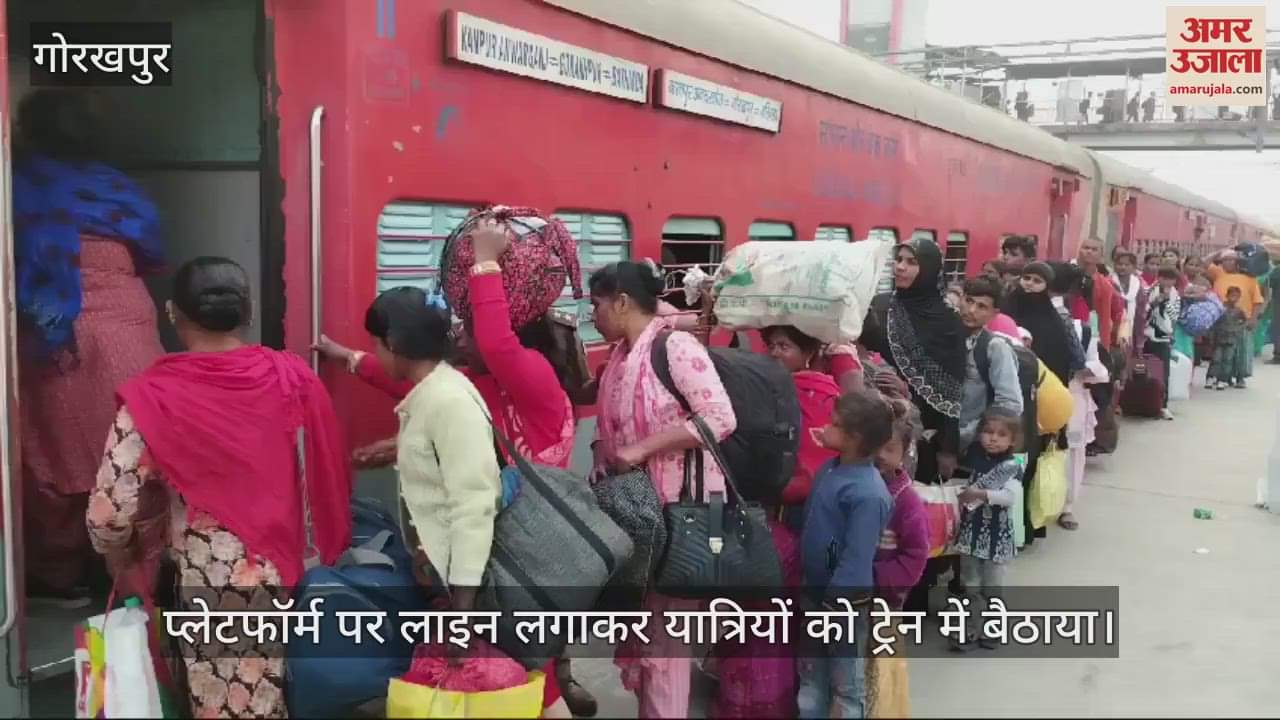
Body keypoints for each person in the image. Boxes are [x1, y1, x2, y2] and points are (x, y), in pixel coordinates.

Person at [316, 218, 585, 714]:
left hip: (512, 549)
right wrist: (348, 358)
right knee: (524, 668)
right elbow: (412, 384)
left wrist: (484, 261)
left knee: (530, 672)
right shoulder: (476, 387)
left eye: (472, 329)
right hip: (493, 551)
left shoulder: (532, 378)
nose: (461, 338)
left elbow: (471, 495)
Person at [87, 257, 352, 718]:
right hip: (287, 564)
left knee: (230, 701)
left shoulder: (153, 394)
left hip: (215, 573)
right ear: (246, 313)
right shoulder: (290, 376)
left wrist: (119, 552)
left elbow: (108, 512)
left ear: (173, 313)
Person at [363, 286, 573, 719]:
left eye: (376, 345)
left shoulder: (447, 400)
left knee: (509, 690)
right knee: (528, 688)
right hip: (461, 575)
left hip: (475, 582)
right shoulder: (438, 391)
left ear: (396, 345)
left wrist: (462, 613)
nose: (375, 353)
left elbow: (473, 506)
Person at [15, 89, 167, 607]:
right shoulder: (116, 186)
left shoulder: (19, 184)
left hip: (60, 330)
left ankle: (60, 577)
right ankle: (133, 576)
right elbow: (149, 252)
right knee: (137, 446)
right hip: (131, 320)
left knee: (53, 453)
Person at [589, 260, 737, 719]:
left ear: (621, 302)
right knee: (645, 626)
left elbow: (720, 419)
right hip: (640, 513)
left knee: (666, 640)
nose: (591, 316)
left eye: (595, 305)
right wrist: (604, 451)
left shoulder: (676, 348)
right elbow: (613, 423)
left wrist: (641, 449)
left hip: (681, 514)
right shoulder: (619, 356)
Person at [709, 324, 836, 719]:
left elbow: (816, 463)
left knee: (777, 616)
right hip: (755, 510)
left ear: (810, 351)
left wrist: (773, 486)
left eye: (786, 346)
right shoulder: (758, 385)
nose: (777, 353)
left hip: (797, 516)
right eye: (772, 345)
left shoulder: (821, 394)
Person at [797, 389, 895, 720]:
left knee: (846, 688)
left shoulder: (867, 493)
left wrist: (833, 607)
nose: (826, 428)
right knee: (811, 679)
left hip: (843, 607)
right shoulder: (831, 469)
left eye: (834, 425)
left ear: (853, 439)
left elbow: (856, 559)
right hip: (815, 595)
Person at [859, 238, 966, 486]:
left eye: (911, 262)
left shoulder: (948, 322)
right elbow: (861, 354)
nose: (900, 267)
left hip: (926, 436)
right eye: (898, 260)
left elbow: (952, 390)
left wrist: (948, 449)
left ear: (928, 269)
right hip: (875, 423)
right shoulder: (880, 306)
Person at [864, 396, 928, 720]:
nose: (879, 455)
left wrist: (876, 577)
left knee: (880, 666)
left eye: (889, 449)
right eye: (874, 445)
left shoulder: (906, 501)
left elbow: (916, 555)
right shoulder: (851, 487)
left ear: (904, 455)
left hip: (883, 600)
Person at [952, 408, 1024, 651]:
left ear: (1012, 441)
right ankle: (970, 631)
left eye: (1001, 434)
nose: (993, 438)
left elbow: (1009, 497)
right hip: (972, 534)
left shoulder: (1012, 466)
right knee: (970, 584)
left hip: (996, 538)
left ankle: (993, 630)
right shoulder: (975, 459)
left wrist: (981, 493)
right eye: (988, 432)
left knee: (992, 588)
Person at [957, 277, 1024, 454]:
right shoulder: (949, 337)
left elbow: (1010, 403)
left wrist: (977, 434)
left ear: (994, 313)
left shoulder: (995, 348)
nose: (971, 310)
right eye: (969, 301)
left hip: (974, 447)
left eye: (982, 306)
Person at [1203, 248, 1266, 384]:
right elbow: (1204, 262)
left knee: (1241, 351)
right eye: (1225, 260)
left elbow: (1257, 301)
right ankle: (1222, 377)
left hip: (1242, 319)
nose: (1228, 263)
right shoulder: (1218, 273)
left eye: (1231, 259)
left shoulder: (1250, 279)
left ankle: (1240, 377)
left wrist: (1253, 319)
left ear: (1238, 262)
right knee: (1220, 352)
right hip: (1222, 319)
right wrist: (1220, 251)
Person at [1145, 268, 1182, 418]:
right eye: (1164, 278)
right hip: (1146, 335)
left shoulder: (1176, 296)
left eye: (1170, 279)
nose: (1167, 282)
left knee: (1163, 373)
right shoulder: (1148, 291)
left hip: (1163, 338)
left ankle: (1162, 405)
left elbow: (1174, 317)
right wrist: (1155, 302)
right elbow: (1143, 311)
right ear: (1158, 278)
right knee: (1143, 370)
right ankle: (1146, 403)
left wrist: (1165, 301)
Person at [1208, 287, 1250, 390]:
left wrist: (1238, 328)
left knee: (1228, 360)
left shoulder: (1239, 310)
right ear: (1227, 296)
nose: (1233, 298)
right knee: (1216, 359)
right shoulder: (1221, 308)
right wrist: (1211, 334)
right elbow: (1214, 321)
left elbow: (1245, 321)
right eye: (1232, 296)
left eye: (1236, 296)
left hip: (1232, 339)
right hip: (1219, 337)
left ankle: (1223, 380)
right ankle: (1211, 377)